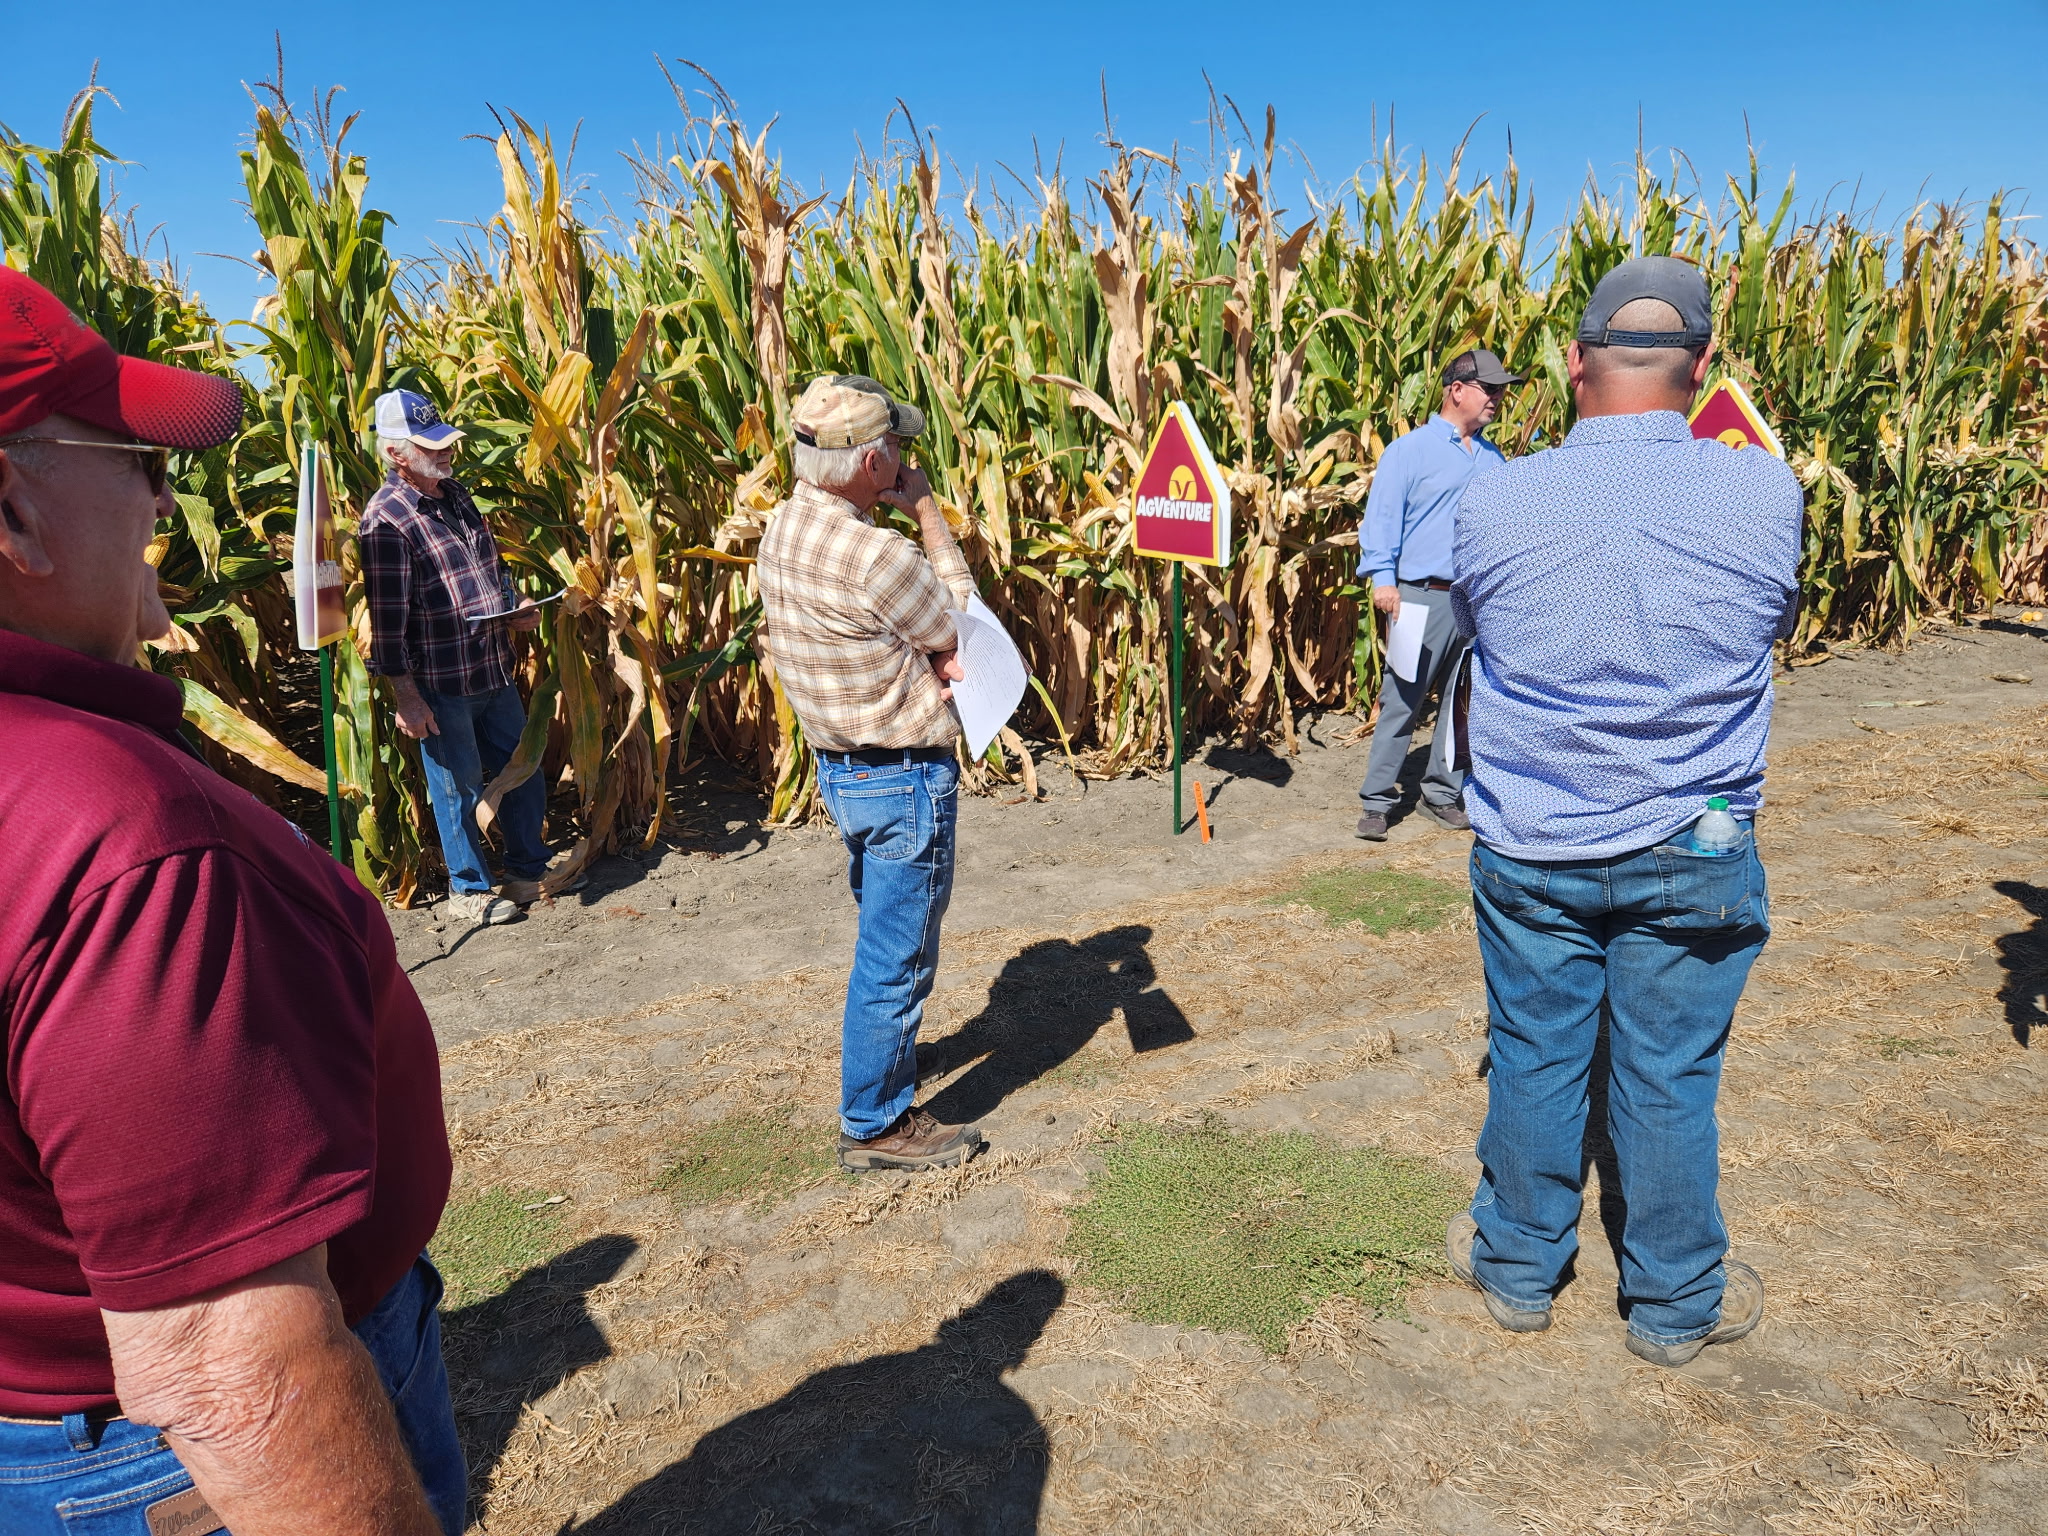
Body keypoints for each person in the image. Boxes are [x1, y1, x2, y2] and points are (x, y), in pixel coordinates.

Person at [0, 268, 463, 1531]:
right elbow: (229, 1368)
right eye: (133, 460)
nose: (164, 492)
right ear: (13, 516)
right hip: (158, 1474)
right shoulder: (127, 853)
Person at [1443, 256, 1801, 1367]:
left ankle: (1514, 1268)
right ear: (1700, 367)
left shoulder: (1492, 494)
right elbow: (1771, 626)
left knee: (1534, 1054)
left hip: (1532, 839)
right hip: (1691, 841)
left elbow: (1473, 632)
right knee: (1666, 1073)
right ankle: (1672, 1302)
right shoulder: (1763, 489)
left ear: (1572, 362)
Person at [756, 374, 983, 1172]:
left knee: (881, 936)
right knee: (897, 956)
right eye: (892, 446)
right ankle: (876, 1124)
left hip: (842, 774)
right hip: (903, 780)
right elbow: (960, 629)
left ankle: (879, 1079)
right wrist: (926, 513)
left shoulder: (781, 529)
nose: (901, 456)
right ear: (865, 461)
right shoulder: (877, 554)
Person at [361, 389, 573, 926]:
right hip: (439, 681)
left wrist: (517, 603)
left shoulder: (455, 494)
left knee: (521, 769)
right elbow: (387, 625)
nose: (447, 452)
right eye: (431, 446)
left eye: (446, 441)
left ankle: (527, 870)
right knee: (457, 786)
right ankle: (469, 889)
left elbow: (491, 571)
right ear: (396, 455)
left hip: (492, 668)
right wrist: (405, 696)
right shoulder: (386, 522)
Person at [1353, 347, 1523, 840]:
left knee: (1460, 704)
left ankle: (1441, 793)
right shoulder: (1408, 452)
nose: (1497, 399)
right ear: (1457, 390)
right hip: (1417, 597)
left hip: (1473, 603)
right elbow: (1381, 519)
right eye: (1488, 390)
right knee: (1403, 698)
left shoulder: (1494, 459)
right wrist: (1383, 580)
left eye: (1499, 391)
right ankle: (1377, 802)